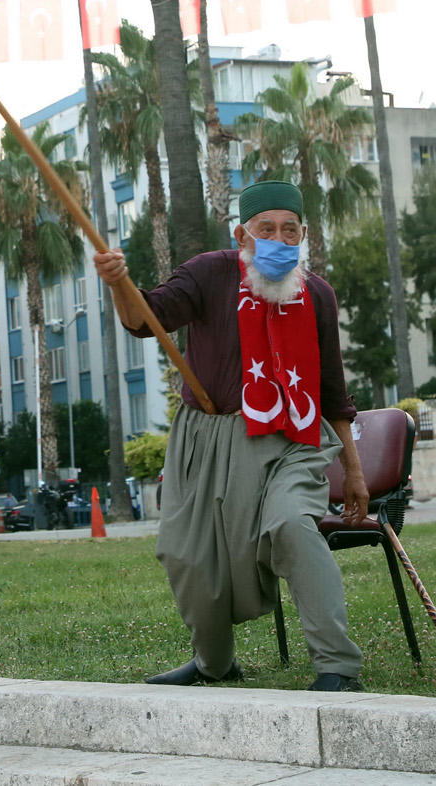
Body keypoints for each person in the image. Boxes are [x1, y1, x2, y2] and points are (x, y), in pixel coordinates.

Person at [94, 179, 369, 692]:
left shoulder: (318, 296)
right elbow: (145, 318)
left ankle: (338, 667)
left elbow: (334, 392)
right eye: (267, 229)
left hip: (291, 440)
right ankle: (213, 664)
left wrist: (353, 471)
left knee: (292, 525)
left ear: (303, 234)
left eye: (290, 230)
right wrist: (118, 284)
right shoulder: (210, 272)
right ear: (243, 234)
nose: (279, 239)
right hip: (205, 438)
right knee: (184, 553)